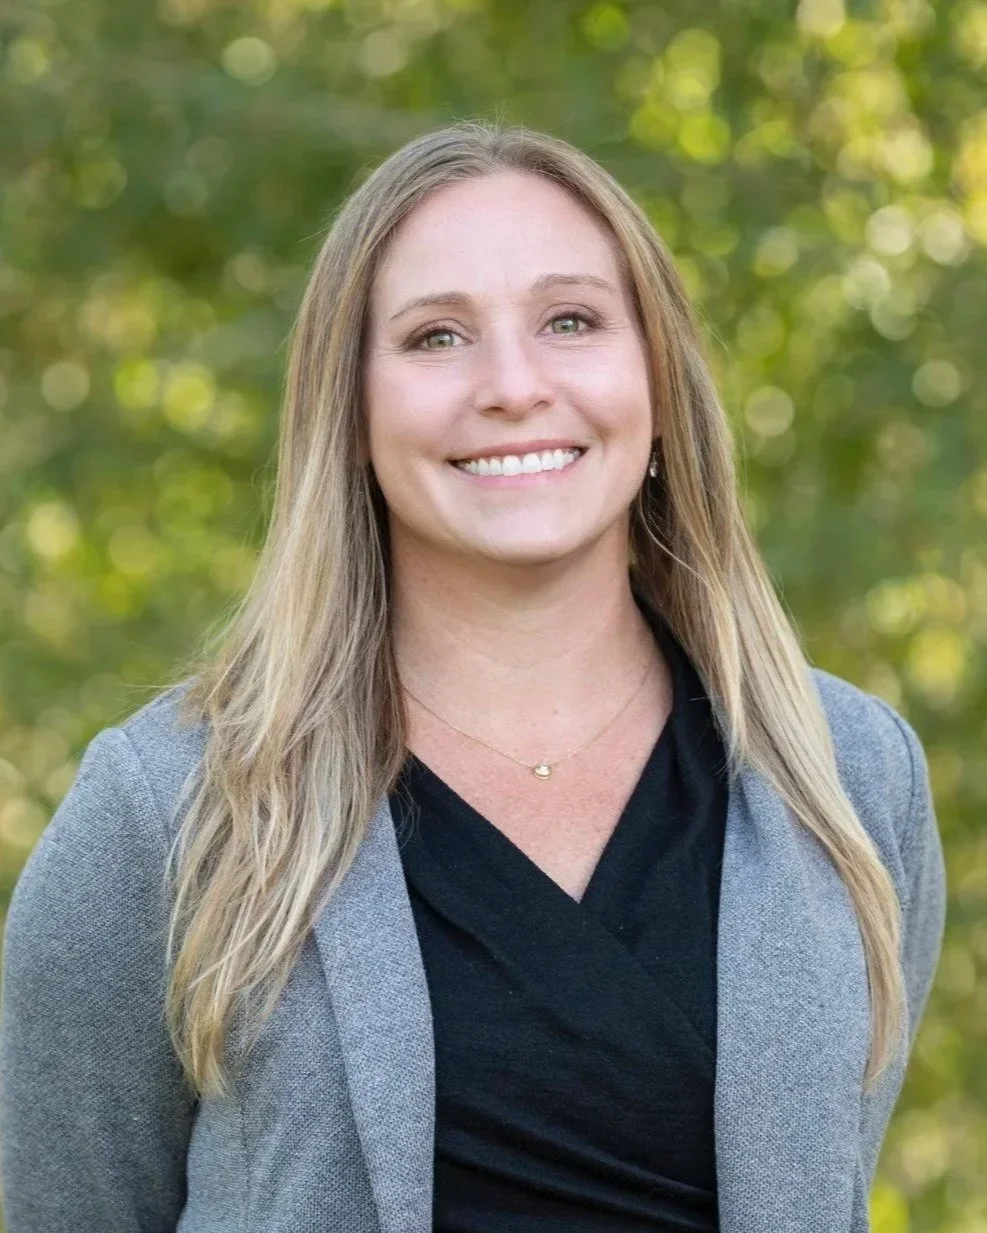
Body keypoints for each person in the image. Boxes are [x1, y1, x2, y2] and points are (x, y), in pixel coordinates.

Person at [0, 120, 946, 1233]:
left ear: (658, 387)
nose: (512, 385)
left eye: (572, 321)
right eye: (437, 337)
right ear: (349, 412)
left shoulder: (846, 779)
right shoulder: (169, 808)